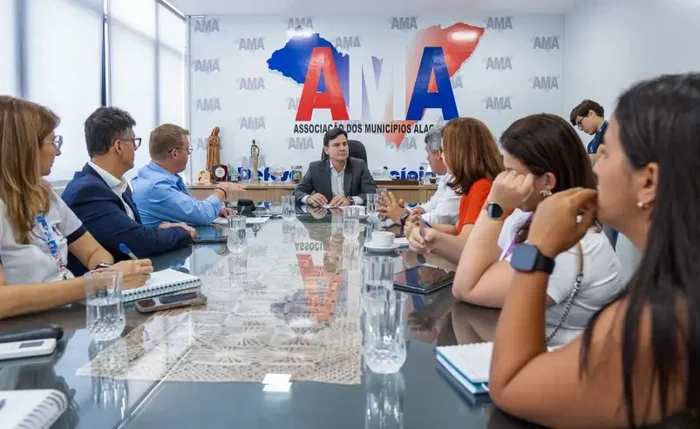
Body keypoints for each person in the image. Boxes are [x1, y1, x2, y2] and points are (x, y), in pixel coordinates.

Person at [488, 74, 700, 427]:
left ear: (649, 181)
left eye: (607, 153)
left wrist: (538, 249)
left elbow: (509, 383)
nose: (595, 167)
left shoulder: (661, 323)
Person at [451, 113, 623, 345]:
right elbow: (484, 262)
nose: (503, 181)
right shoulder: (527, 216)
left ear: (547, 182)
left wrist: (495, 207)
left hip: (571, 368)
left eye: (512, 173)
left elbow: (467, 287)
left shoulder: (571, 242)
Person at [0, 96, 152, 320]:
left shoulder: (44, 194)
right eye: (53, 142)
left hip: (66, 318)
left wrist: (104, 271)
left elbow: (93, 252)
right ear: (24, 147)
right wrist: (98, 281)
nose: (58, 152)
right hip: (26, 331)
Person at [62, 107, 195, 276]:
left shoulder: (116, 185)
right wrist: (182, 231)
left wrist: (163, 228)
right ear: (119, 146)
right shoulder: (87, 192)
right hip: (104, 292)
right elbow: (139, 241)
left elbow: (129, 231)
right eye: (133, 142)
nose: (135, 148)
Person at [406, 117, 503, 263]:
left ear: (459, 153)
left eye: (444, 150)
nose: (442, 155)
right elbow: (457, 230)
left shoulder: (482, 186)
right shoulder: (470, 186)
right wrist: (421, 226)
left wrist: (427, 235)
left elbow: (465, 247)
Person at [131, 124, 244, 227]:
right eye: (187, 150)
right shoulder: (156, 186)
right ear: (175, 153)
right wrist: (222, 190)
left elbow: (192, 210)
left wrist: (215, 210)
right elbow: (203, 215)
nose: (188, 154)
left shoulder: (154, 176)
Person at [378, 125, 461, 225]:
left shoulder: (460, 181)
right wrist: (410, 212)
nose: (427, 158)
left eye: (428, 152)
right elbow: (435, 203)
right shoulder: (447, 176)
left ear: (438, 153)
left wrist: (403, 216)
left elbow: (439, 218)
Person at [294, 127, 377, 207]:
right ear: (326, 150)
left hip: (352, 217)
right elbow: (298, 192)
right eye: (337, 145)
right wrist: (309, 198)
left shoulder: (359, 166)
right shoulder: (315, 168)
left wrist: (351, 200)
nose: (342, 148)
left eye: (345, 144)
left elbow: (373, 193)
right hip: (325, 217)